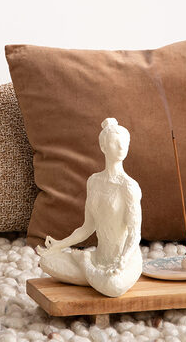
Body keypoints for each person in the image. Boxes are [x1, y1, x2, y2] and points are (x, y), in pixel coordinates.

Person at [37, 117, 143, 298]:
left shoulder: (129, 187)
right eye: (116, 143)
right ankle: (94, 275)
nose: (121, 147)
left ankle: (85, 265)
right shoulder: (94, 182)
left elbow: (134, 234)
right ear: (103, 147)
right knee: (47, 260)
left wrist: (122, 261)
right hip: (99, 257)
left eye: (124, 142)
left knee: (114, 286)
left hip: (125, 259)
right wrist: (58, 245)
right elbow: (87, 227)